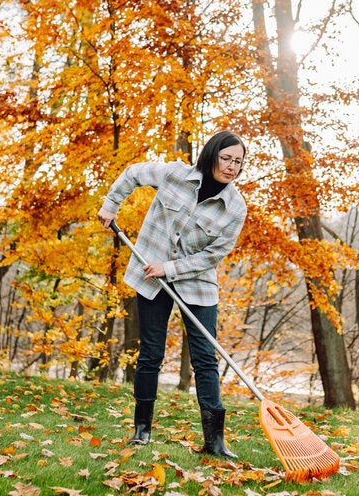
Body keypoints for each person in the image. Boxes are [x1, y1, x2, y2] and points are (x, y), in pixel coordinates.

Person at [96, 130, 248, 459]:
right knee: (151, 353)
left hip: (196, 282)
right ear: (212, 155)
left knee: (206, 359)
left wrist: (171, 268)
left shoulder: (235, 208)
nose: (232, 167)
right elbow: (133, 173)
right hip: (151, 275)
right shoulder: (175, 174)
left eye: (238, 161)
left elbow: (212, 256)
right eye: (226, 158)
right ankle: (142, 430)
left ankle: (215, 441)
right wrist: (111, 206)